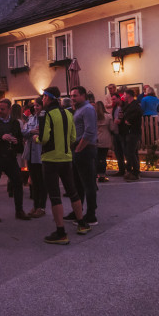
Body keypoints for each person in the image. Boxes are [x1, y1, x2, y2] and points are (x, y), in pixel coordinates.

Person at [39, 87, 88, 245]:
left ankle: (61, 232)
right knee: (72, 191)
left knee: (54, 195)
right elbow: (73, 137)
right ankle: (81, 224)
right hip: (67, 158)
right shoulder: (68, 113)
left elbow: (44, 138)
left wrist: (34, 138)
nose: (42, 100)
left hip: (51, 158)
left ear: (48, 97)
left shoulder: (46, 114)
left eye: (43, 97)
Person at [0, 98, 29, 222]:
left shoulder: (14, 123)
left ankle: (19, 210)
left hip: (9, 157)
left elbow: (19, 138)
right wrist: (1, 137)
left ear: (9, 109)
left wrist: (16, 141)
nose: (0, 111)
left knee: (18, 182)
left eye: (3, 109)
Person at [69, 86, 99, 226]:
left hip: (85, 149)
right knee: (78, 184)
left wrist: (79, 149)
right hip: (78, 149)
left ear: (83, 96)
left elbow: (89, 132)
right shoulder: (79, 109)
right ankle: (77, 212)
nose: (72, 98)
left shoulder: (87, 109)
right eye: (71, 96)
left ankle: (91, 215)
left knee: (88, 184)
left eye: (75, 95)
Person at [22, 101, 46, 218]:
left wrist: (38, 132)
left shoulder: (45, 118)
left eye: (38, 105)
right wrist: (31, 131)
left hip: (40, 153)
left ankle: (41, 206)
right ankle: (35, 205)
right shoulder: (31, 118)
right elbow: (23, 132)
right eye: (35, 106)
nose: (36, 108)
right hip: (30, 153)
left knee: (41, 181)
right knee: (34, 181)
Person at [118, 89, 143, 181]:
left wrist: (128, 120)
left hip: (133, 132)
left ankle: (136, 172)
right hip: (128, 132)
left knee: (131, 152)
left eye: (124, 94)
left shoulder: (135, 105)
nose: (123, 96)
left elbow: (137, 114)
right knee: (131, 152)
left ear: (129, 95)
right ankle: (130, 171)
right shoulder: (128, 105)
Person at [95, 101, 112, 183]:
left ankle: (95, 174)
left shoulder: (93, 116)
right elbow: (112, 128)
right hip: (105, 138)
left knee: (96, 158)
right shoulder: (108, 116)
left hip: (96, 139)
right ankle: (102, 175)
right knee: (103, 158)